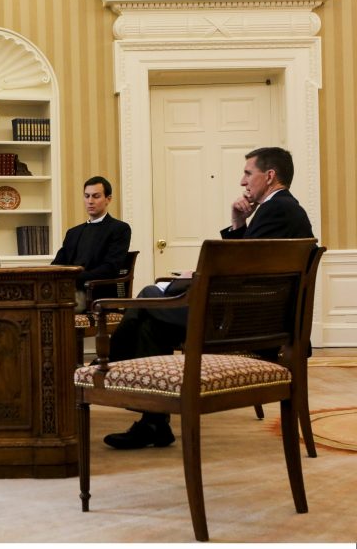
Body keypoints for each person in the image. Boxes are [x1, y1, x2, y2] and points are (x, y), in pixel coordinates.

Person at [103, 146, 314, 450]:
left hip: (245, 325)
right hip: (258, 319)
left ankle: (115, 369)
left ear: (269, 176)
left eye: (247, 173)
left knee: (149, 298)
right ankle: (154, 424)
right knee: (151, 325)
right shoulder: (282, 208)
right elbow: (250, 265)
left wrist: (199, 277)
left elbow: (237, 274)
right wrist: (238, 222)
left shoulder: (277, 209)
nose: (243, 182)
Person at [52, 176, 132, 312]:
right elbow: (58, 263)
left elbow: (110, 268)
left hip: (95, 293)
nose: (90, 201)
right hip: (67, 289)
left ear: (108, 199)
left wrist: (71, 279)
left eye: (96, 196)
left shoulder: (119, 229)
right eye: (87, 196)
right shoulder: (73, 232)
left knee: (48, 307)